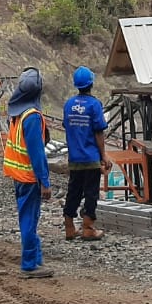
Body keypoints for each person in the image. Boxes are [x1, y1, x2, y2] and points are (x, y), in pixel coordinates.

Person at [2, 67, 54, 278]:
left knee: (29, 217)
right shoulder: (32, 117)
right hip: (29, 177)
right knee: (29, 220)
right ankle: (29, 265)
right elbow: (37, 154)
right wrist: (45, 182)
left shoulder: (17, 113)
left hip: (18, 174)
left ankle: (36, 259)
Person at [61, 66, 111, 241]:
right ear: (91, 83)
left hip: (74, 158)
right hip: (90, 158)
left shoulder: (68, 104)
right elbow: (98, 132)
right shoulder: (94, 105)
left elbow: (67, 128)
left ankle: (69, 227)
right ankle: (88, 228)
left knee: (73, 191)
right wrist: (104, 155)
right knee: (91, 193)